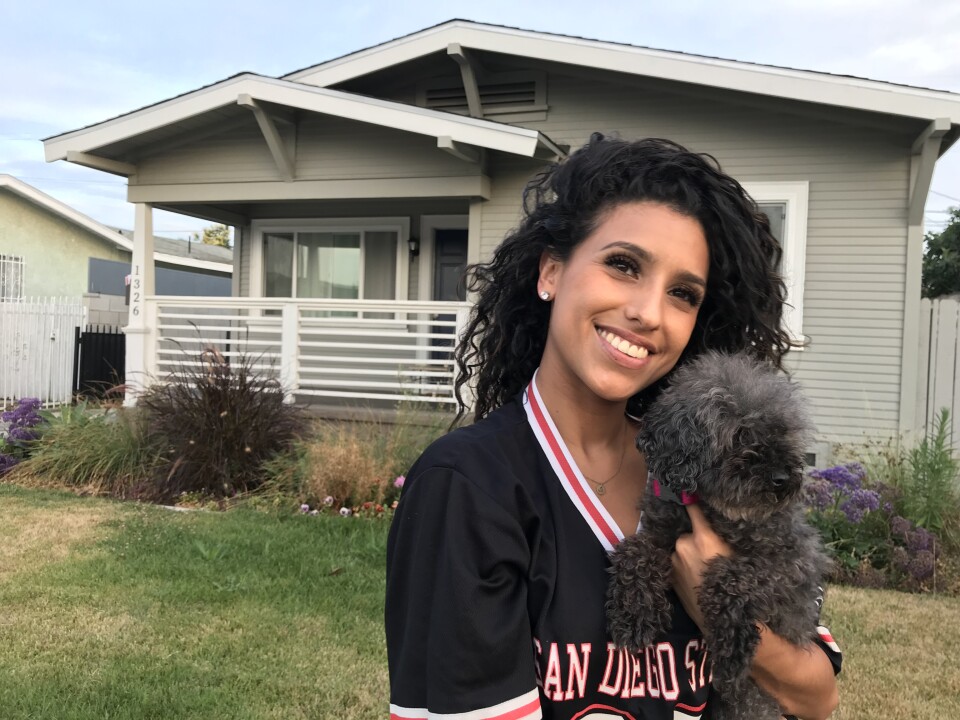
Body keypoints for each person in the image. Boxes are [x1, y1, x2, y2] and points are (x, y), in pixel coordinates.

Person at [385, 134, 841, 720]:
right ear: (551, 271)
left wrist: (717, 611)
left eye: (682, 293)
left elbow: (817, 694)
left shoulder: (708, 468)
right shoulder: (469, 488)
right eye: (623, 265)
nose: (649, 313)